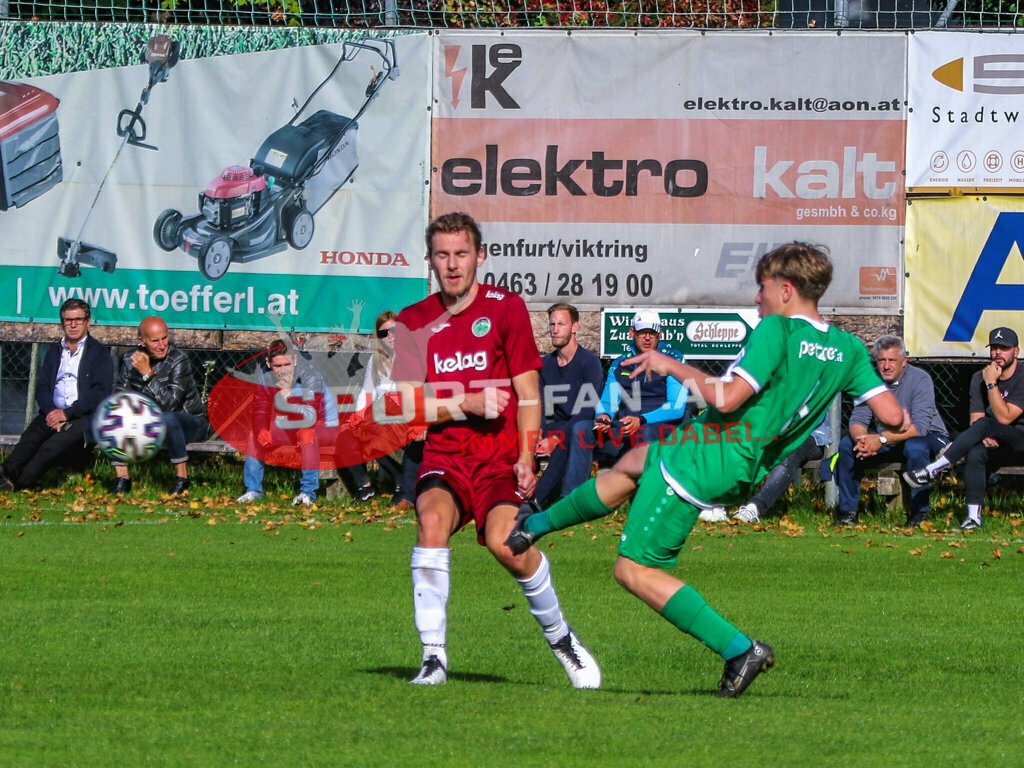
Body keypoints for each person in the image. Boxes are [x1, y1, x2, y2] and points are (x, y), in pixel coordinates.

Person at [506, 243, 908, 697]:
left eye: (762, 288)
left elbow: (726, 399)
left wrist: (668, 363)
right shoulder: (849, 348)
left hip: (712, 457)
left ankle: (739, 649)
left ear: (786, 289)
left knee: (633, 570)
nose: (757, 298)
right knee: (634, 462)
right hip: (736, 461)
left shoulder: (777, 330)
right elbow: (893, 415)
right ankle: (532, 526)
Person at [392, 211, 600, 688]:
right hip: (445, 459)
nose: (452, 264)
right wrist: (464, 402)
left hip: (498, 461)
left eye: (461, 253)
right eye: (442, 255)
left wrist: (527, 456)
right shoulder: (413, 320)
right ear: (430, 260)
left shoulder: (506, 309)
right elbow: (403, 403)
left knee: (509, 547)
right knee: (430, 523)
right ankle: (433, 657)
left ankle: (562, 638)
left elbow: (530, 394)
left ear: (479, 256)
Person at [905, 326, 1024, 530]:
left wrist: (991, 384)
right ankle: (973, 518)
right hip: (997, 444)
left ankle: (934, 468)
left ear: (1016, 351)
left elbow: (1005, 418)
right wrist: (985, 436)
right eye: (994, 348)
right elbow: (975, 419)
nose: (997, 353)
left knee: (987, 424)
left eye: (1003, 348)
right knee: (977, 452)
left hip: (1020, 441)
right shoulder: (979, 377)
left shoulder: (1015, 377)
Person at [559, 309, 687, 497]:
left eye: (652, 333)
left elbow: (676, 407)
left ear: (660, 334)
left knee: (646, 432)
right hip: (627, 427)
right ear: (632, 333)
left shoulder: (674, 359)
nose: (647, 338)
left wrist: (641, 420)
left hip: (662, 428)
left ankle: (645, 498)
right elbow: (608, 401)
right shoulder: (621, 363)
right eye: (642, 332)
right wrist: (603, 416)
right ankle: (572, 499)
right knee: (582, 429)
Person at [833, 335, 948, 527]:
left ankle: (919, 514)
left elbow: (919, 428)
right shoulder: (869, 380)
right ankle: (847, 512)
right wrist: (862, 440)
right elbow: (858, 420)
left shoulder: (920, 379)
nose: (886, 366)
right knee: (847, 445)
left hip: (926, 436)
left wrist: (881, 439)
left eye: (892, 360)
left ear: (904, 361)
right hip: (888, 439)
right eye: (881, 360)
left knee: (915, 447)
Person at [0, 299, 113, 491]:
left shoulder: (99, 353)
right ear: (62, 323)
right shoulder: (55, 351)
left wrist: (67, 414)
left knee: (48, 449)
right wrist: (52, 411)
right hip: (51, 413)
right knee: (29, 440)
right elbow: (42, 386)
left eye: (78, 319)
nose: (73, 324)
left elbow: (99, 394)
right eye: (68, 320)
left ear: (88, 321)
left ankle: (23, 482)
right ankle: (5, 474)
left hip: (83, 417)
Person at [110, 316, 209, 495]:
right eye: (155, 341)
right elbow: (120, 397)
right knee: (113, 416)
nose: (162, 345)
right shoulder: (129, 359)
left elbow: (170, 405)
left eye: (164, 338)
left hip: (190, 422)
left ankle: (182, 479)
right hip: (148, 421)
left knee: (167, 418)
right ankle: (122, 479)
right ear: (142, 341)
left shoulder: (179, 360)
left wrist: (147, 374)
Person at [236, 339, 338, 507]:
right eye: (278, 366)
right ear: (268, 363)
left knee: (306, 434)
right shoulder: (263, 376)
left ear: (295, 360)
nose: (282, 371)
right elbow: (261, 409)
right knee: (255, 434)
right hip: (290, 426)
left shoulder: (310, 375)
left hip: (324, 425)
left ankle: (308, 493)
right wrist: (262, 429)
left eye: (287, 364)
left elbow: (310, 417)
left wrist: (288, 395)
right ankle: (253, 491)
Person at [534, 303, 604, 505]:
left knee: (572, 433)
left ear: (575, 327)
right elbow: (539, 405)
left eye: (561, 324)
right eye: (552, 324)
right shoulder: (545, 364)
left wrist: (555, 438)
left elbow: (587, 410)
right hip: (556, 425)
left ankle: (542, 500)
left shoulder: (589, 362)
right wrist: (538, 433)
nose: (555, 330)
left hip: (583, 425)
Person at [351, 310, 417, 508]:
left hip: (409, 418)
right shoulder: (375, 360)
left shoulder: (413, 357)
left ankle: (401, 485)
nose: (390, 336)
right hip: (384, 421)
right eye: (383, 333)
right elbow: (367, 392)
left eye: (394, 330)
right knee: (351, 433)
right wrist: (357, 415)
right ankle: (366, 487)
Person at [727, 413, 832, 524]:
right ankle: (716, 502)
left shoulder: (812, 395)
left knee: (788, 452)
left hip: (812, 436)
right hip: (775, 435)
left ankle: (756, 507)